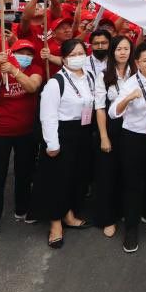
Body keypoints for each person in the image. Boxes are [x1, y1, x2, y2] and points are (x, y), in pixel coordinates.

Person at [0, 39, 44, 239]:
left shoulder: (36, 68)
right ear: (11, 52)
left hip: (26, 132)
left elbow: (32, 86)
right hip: (0, 133)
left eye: (29, 52)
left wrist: (14, 71)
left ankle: (22, 208)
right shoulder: (0, 67)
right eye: (20, 52)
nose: (26, 56)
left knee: (24, 172)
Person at [35, 39, 96, 248]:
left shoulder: (89, 77)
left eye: (81, 53)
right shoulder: (55, 83)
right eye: (72, 54)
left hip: (84, 132)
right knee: (58, 181)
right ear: (63, 59)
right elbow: (48, 116)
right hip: (63, 134)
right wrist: (52, 144)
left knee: (75, 178)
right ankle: (55, 224)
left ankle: (69, 215)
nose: (78, 57)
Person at [111, 42, 146, 253]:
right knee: (133, 184)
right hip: (133, 138)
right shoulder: (131, 83)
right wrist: (127, 98)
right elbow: (113, 112)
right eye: (145, 61)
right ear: (137, 63)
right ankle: (131, 228)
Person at [93, 35, 135, 239]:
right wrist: (103, 136)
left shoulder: (136, 73)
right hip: (112, 127)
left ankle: (127, 212)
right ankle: (107, 218)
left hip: (133, 128)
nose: (123, 52)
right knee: (107, 174)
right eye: (119, 49)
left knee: (129, 173)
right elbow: (100, 108)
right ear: (112, 51)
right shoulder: (103, 76)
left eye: (126, 48)